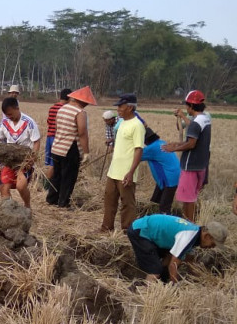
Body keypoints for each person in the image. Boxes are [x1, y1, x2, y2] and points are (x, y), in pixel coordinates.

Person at [127, 214, 227, 283]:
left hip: (149, 232)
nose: (211, 247)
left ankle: (161, 281)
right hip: (141, 231)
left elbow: (189, 260)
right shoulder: (188, 236)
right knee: (155, 269)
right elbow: (173, 265)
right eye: (213, 244)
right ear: (207, 236)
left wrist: (200, 278)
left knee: (167, 257)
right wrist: (174, 286)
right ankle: (146, 293)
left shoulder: (194, 234)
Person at [161, 90, 211, 222]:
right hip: (201, 165)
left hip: (190, 166)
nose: (186, 108)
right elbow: (194, 140)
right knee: (193, 198)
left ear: (192, 106)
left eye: (187, 105)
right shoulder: (205, 119)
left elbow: (191, 144)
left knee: (187, 200)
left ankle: (187, 225)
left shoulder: (195, 123)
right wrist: (177, 143)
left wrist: (174, 148)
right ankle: (191, 223)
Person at [46, 86, 96, 209]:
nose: (87, 105)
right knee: (68, 177)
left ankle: (52, 199)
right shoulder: (80, 112)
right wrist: (86, 152)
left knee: (57, 175)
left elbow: (57, 128)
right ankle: (63, 203)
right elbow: (82, 132)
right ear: (82, 101)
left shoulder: (62, 109)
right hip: (70, 149)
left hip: (57, 147)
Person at [101, 93, 145, 232]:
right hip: (114, 171)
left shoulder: (137, 125)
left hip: (126, 172)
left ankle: (128, 231)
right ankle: (106, 228)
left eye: (121, 106)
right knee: (109, 200)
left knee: (127, 203)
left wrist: (131, 172)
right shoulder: (122, 123)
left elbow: (138, 150)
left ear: (130, 107)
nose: (118, 109)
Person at [0, 97, 41, 209]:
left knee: (21, 186)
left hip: (23, 162)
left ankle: (27, 206)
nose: (9, 117)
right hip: (9, 161)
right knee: (3, 187)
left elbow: (36, 142)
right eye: (7, 115)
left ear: (17, 108)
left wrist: (32, 159)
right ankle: (10, 211)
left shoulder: (29, 123)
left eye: (10, 114)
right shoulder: (4, 122)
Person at [141, 128, 181, 214]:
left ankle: (165, 223)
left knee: (164, 206)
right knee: (156, 200)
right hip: (173, 175)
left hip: (168, 178)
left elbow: (136, 156)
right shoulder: (161, 142)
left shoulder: (151, 148)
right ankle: (154, 216)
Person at [45, 88, 72, 179]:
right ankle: (47, 184)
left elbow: (49, 121)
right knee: (54, 164)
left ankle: (50, 182)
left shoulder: (52, 107)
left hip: (49, 137)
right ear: (69, 98)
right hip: (57, 139)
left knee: (50, 163)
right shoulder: (64, 109)